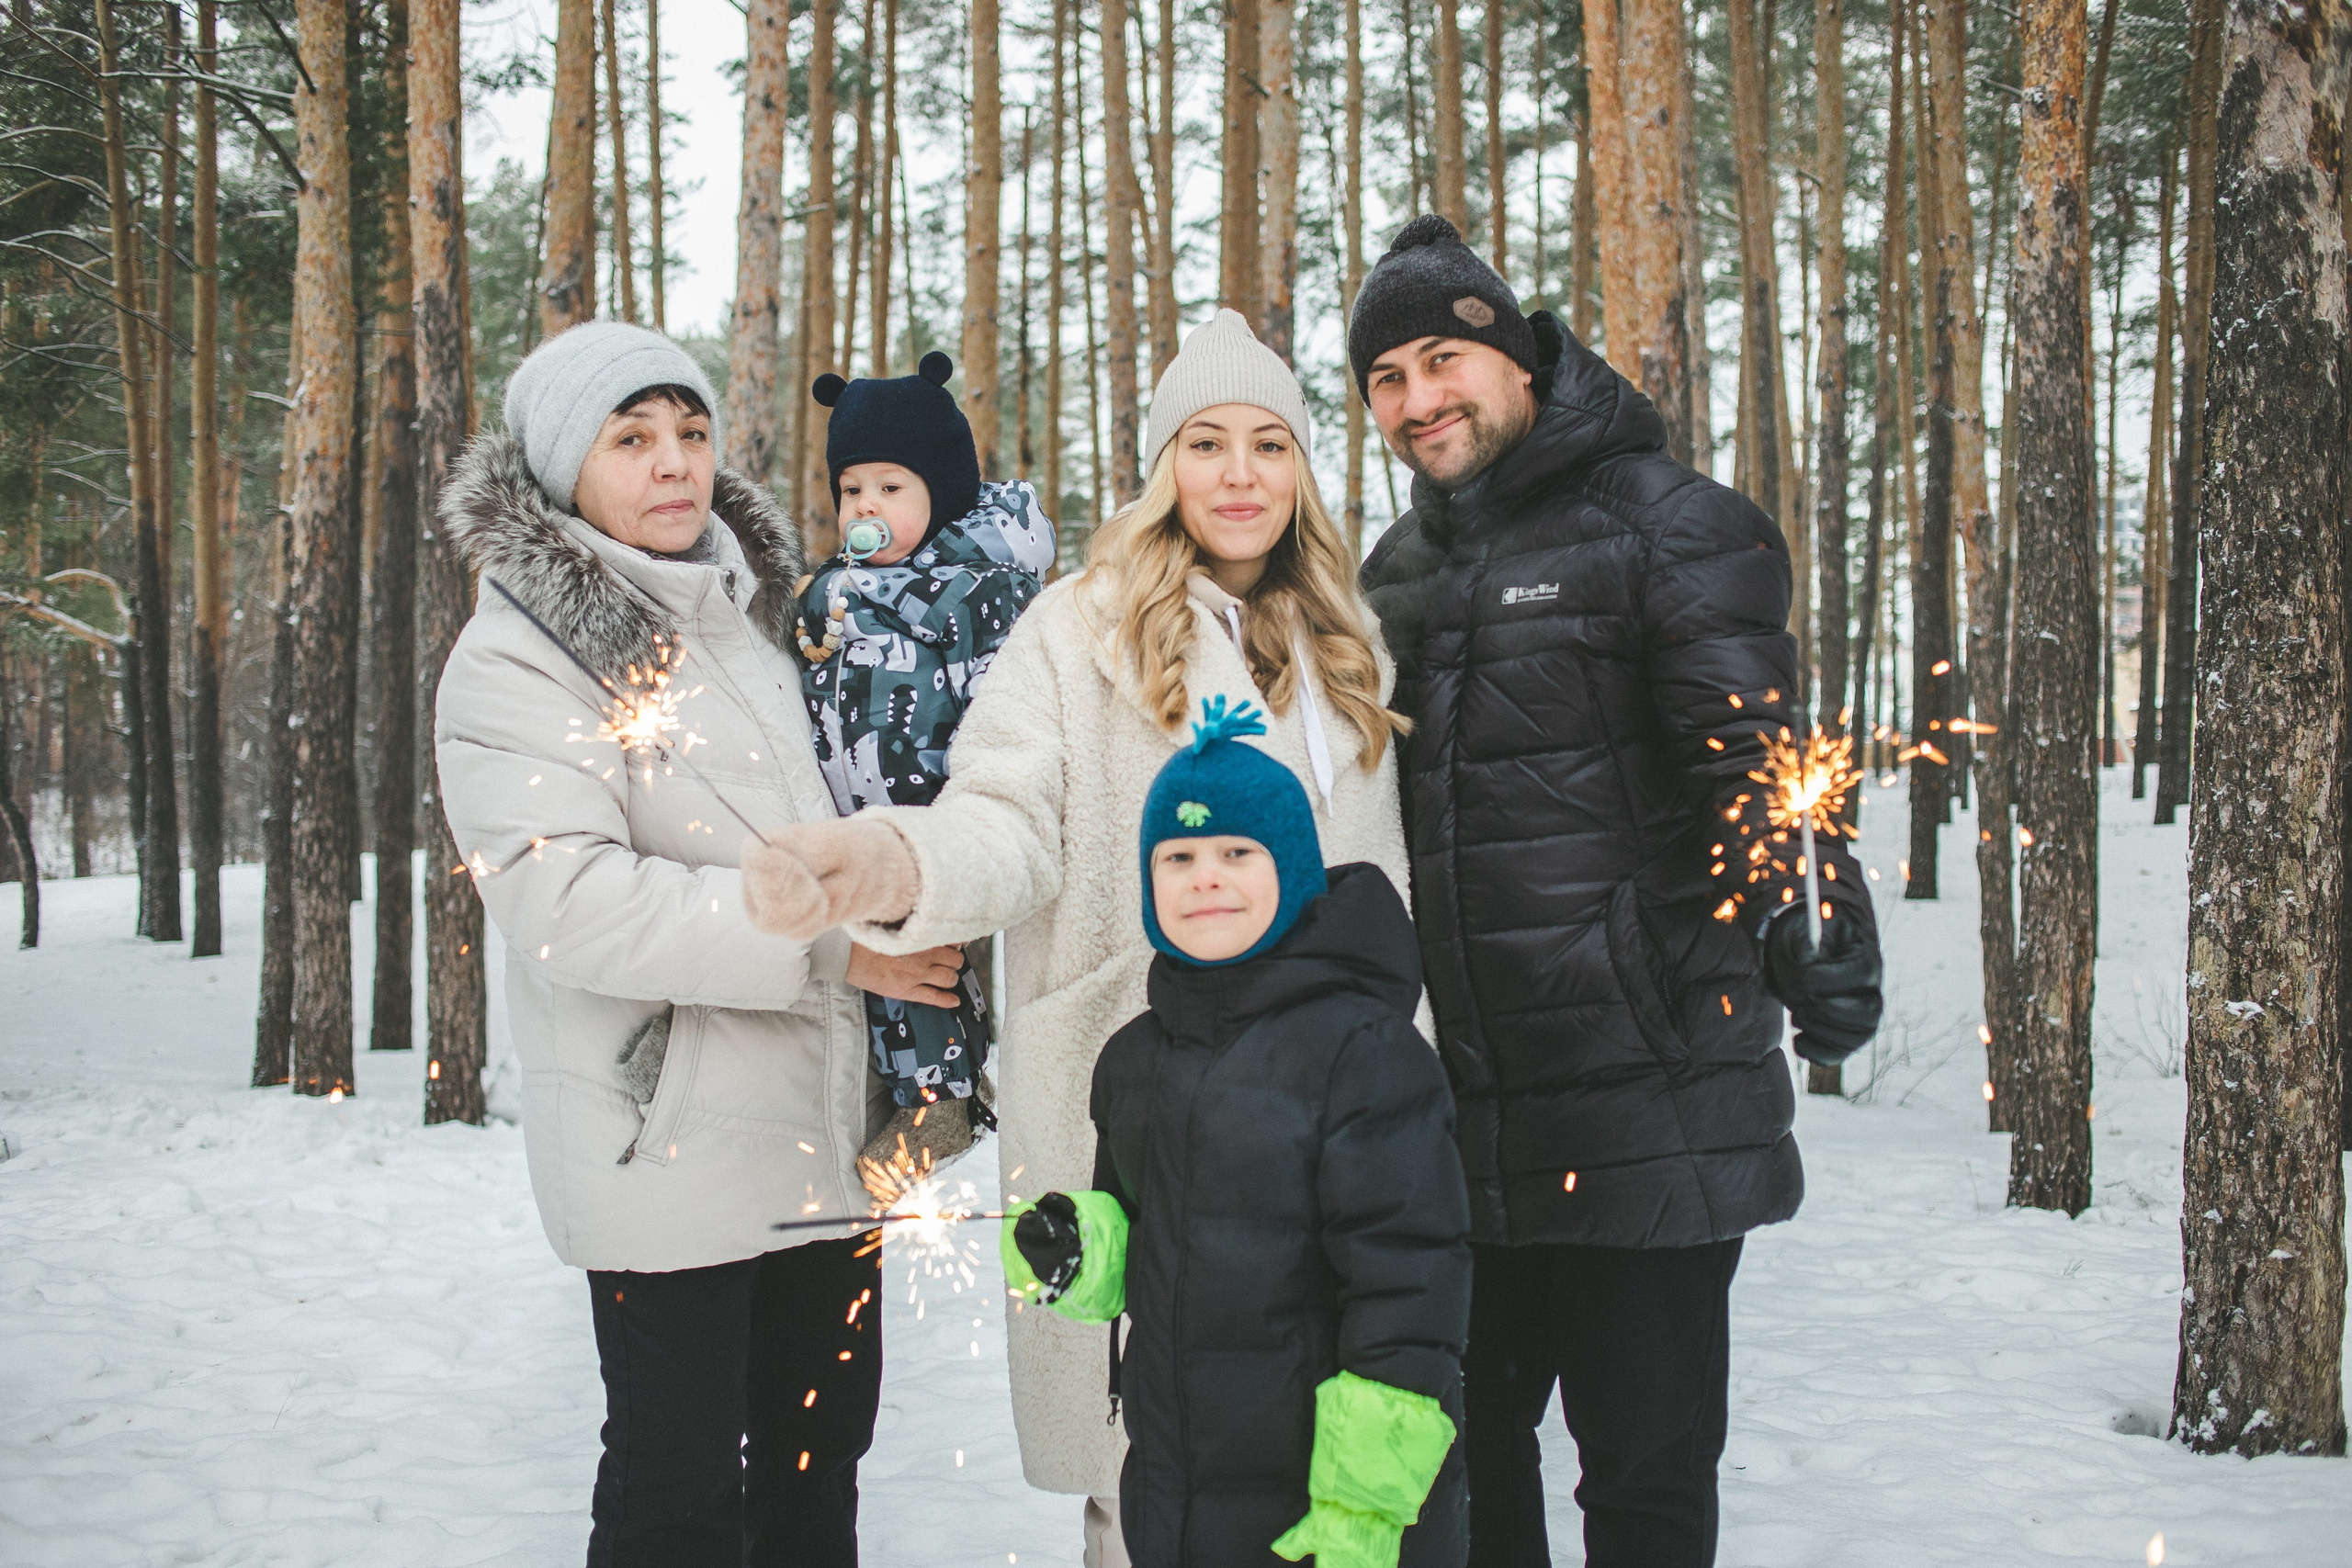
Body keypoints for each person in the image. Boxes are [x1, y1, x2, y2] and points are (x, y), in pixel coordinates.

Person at [738, 310, 1415, 1568]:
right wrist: (892, 860)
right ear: (1164, 467)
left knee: (1344, 1473)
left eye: (1269, 443)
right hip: (1141, 1111)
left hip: (1339, 1124)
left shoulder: (1348, 640)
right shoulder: (1073, 630)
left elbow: (1389, 890)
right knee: (1149, 1483)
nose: (1239, 473)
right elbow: (1004, 815)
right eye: (1205, 443)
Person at [1345, 215, 1885, 1567]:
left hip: (1646, 1098)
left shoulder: (1670, 525)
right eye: (1386, 380)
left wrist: (1814, 916)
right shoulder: (1390, 576)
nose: (1417, 400)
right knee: (1465, 1472)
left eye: (1441, 361)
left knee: (1642, 1481)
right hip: (1460, 1121)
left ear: (1517, 357)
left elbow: (1759, 761)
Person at [432, 320, 967, 1567]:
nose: (674, 461)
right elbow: (568, 897)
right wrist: (832, 948)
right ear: (562, 466)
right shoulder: (516, 657)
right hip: (661, 1145)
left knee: (815, 1469)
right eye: (630, 439)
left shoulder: (767, 621)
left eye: (690, 430)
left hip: (824, 1143)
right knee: (676, 1494)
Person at [1001, 696, 1471, 1568]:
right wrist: (1075, 1247)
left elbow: (1409, 1296)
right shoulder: (1135, 1058)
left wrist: (1363, 1506)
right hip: (1178, 1498)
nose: (1204, 878)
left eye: (1236, 853)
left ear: (1290, 869)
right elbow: (1140, 1242)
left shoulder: (1363, 1053)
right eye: (1177, 857)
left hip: (1336, 1516)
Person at [795, 351, 1056, 1186]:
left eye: (890, 487)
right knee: (879, 960)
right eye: (850, 490)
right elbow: (816, 636)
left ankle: (941, 1100)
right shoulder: (843, 583)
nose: (865, 506)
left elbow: (1007, 690)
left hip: (937, 815)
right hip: (852, 807)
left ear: (940, 493)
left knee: (924, 961)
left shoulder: (976, 588)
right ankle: (920, 1092)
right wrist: (809, 619)